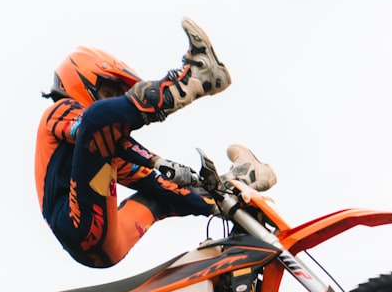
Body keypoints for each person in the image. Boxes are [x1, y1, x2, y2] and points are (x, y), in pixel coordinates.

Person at [34, 17, 276, 268]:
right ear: (80, 82)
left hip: (107, 246)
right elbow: (92, 125)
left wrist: (210, 194)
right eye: (109, 94)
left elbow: (151, 177)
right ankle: (190, 80)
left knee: (160, 193)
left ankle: (235, 186)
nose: (114, 102)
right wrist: (158, 161)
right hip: (75, 223)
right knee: (99, 120)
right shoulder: (58, 112)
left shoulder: (104, 154)